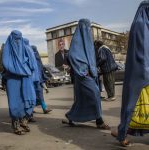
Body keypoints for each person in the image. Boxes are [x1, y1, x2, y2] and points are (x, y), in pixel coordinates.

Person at [111, 1, 149, 147]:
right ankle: (122, 134)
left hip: (143, 72)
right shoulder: (141, 25)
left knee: (139, 106)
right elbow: (143, 54)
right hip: (141, 73)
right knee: (132, 106)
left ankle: (122, 132)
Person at [62, 19, 110, 130]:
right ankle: (99, 121)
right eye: (86, 27)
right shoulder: (77, 42)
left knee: (82, 99)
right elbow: (72, 56)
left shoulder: (87, 43)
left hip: (89, 75)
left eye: (89, 27)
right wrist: (83, 70)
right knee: (95, 95)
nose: (88, 30)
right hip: (83, 75)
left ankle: (71, 116)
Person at [2, 30, 37, 135]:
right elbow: (7, 64)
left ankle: (23, 121)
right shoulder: (6, 51)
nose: (18, 41)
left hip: (25, 79)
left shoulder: (25, 48)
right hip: (12, 80)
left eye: (19, 39)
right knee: (14, 104)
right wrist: (22, 70)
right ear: (11, 39)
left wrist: (27, 70)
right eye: (15, 39)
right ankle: (15, 125)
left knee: (24, 101)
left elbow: (31, 64)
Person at [31, 45, 52, 114]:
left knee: (40, 94)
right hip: (31, 81)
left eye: (35, 51)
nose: (35, 53)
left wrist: (45, 85)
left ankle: (44, 108)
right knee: (32, 96)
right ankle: (30, 110)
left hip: (38, 81)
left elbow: (41, 71)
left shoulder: (38, 61)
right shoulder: (30, 59)